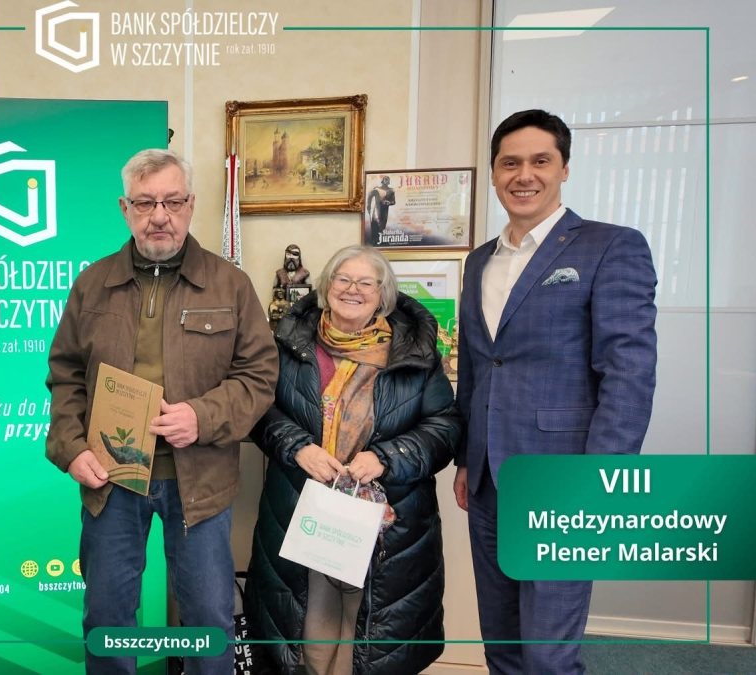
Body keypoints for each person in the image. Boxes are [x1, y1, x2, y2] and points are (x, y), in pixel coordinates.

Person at [45, 149, 279, 675]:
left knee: (208, 619)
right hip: (112, 477)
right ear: (124, 208)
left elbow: (260, 376)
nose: (159, 215)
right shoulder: (92, 284)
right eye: (145, 202)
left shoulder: (230, 285)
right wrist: (71, 449)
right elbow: (65, 375)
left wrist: (203, 416)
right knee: (106, 617)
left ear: (191, 205)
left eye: (172, 202)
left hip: (200, 481)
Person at [455, 109, 658, 674]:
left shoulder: (610, 247)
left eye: (540, 161)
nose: (524, 175)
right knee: (502, 643)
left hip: (562, 478)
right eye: (510, 163)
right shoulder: (478, 261)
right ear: (494, 173)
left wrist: (603, 478)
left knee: (547, 654)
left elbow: (629, 373)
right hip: (489, 478)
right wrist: (466, 457)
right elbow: (477, 365)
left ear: (564, 168)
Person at [244, 245, 459, 675]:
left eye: (366, 282)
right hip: (305, 511)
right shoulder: (288, 342)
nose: (352, 290)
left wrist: (387, 457)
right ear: (326, 287)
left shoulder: (414, 351)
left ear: (383, 295)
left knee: (366, 638)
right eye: (343, 279)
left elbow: (446, 426)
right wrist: (298, 447)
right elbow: (258, 409)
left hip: (385, 525)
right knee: (309, 632)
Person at [365, 175, 395, 245]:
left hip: (385, 211)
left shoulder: (391, 191)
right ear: (382, 181)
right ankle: (373, 241)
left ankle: (379, 242)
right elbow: (369, 196)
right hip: (377, 209)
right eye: (385, 179)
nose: (386, 180)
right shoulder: (377, 189)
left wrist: (389, 202)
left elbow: (393, 202)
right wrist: (368, 205)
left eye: (388, 179)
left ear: (389, 181)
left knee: (382, 226)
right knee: (375, 224)